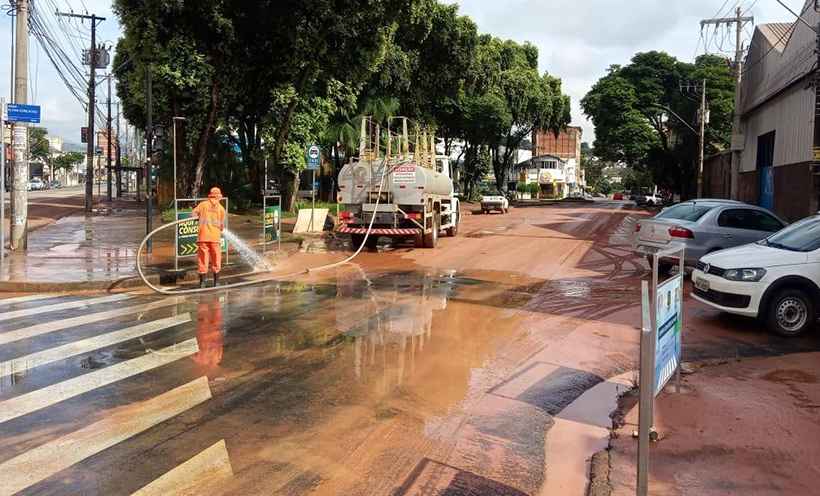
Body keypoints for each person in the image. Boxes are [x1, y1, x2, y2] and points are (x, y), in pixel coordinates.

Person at [192, 187, 226, 288]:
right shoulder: (221, 209)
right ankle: (216, 282)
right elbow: (221, 226)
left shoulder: (203, 205)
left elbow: (193, 214)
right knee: (216, 259)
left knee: (203, 259)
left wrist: (197, 218)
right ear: (218, 196)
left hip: (203, 237)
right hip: (215, 238)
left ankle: (202, 283)